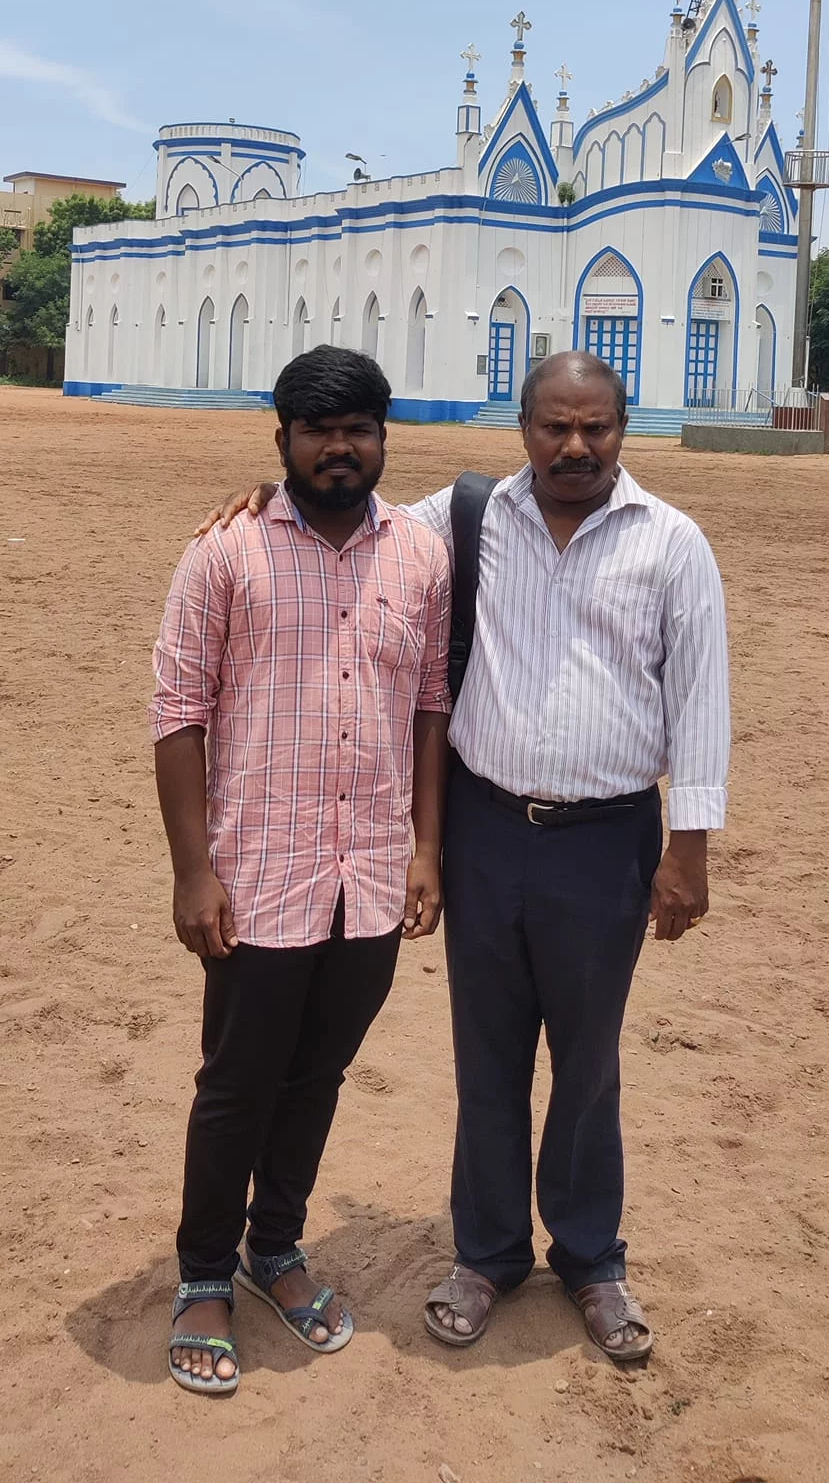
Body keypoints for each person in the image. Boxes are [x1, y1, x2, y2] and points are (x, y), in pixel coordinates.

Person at [200, 350, 730, 1368]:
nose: (575, 446)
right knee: (486, 1058)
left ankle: (590, 1255)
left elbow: (700, 700)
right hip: (486, 832)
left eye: (597, 428)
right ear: (521, 426)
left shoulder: (672, 544)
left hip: (604, 839)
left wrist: (686, 850)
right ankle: (486, 1253)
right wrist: (270, 494)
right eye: (553, 426)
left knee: (587, 1062)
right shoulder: (471, 518)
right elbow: (351, 509)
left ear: (626, 427)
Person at [153, 346, 451, 1397]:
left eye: (359, 428)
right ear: (279, 438)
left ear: (384, 437)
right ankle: (202, 1272)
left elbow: (427, 706)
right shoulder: (225, 552)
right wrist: (195, 873)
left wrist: (424, 845)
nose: (340, 447)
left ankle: (274, 1247)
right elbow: (178, 717)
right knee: (235, 1082)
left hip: (367, 872)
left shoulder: (418, 553)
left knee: (317, 1074)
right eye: (318, 430)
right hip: (257, 872)